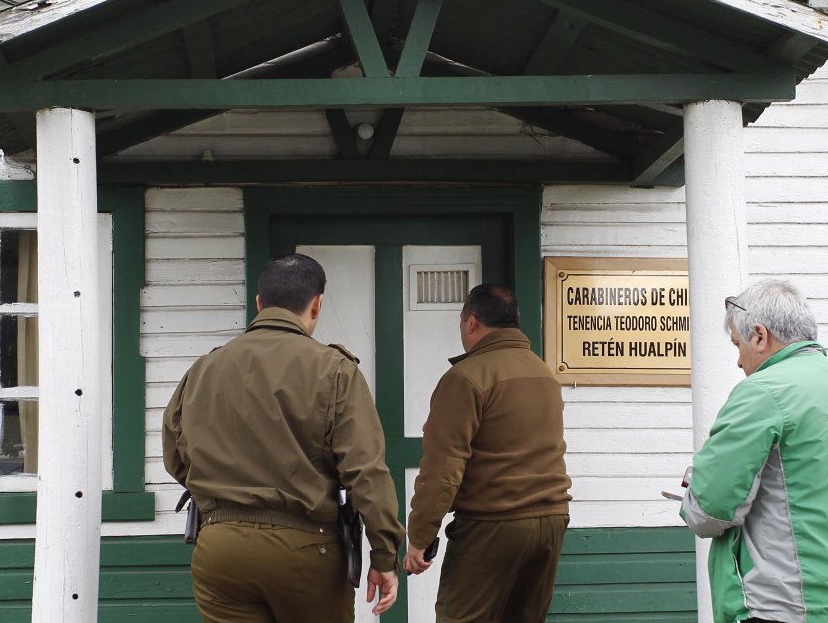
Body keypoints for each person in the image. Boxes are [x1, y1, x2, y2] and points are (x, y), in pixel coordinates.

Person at [163, 253, 404, 623]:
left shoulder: (204, 369)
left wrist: (224, 494)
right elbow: (365, 472)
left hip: (220, 547)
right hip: (306, 550)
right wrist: (384, 554)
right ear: (317, 305)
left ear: (259, 303)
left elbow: (176, 457)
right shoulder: (335, 370)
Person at [680, 279, 828, 623]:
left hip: (792, 608)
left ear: (760, 335)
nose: (738, 362)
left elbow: (708, 511)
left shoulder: (761, 392)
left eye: (737, 344)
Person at [404, 284, 572, 623]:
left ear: (472, 323)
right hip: (552, 521)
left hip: (493, 523)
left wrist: (420, 536)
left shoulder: (467, 377)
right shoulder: (544, 373)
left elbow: (445, 467)